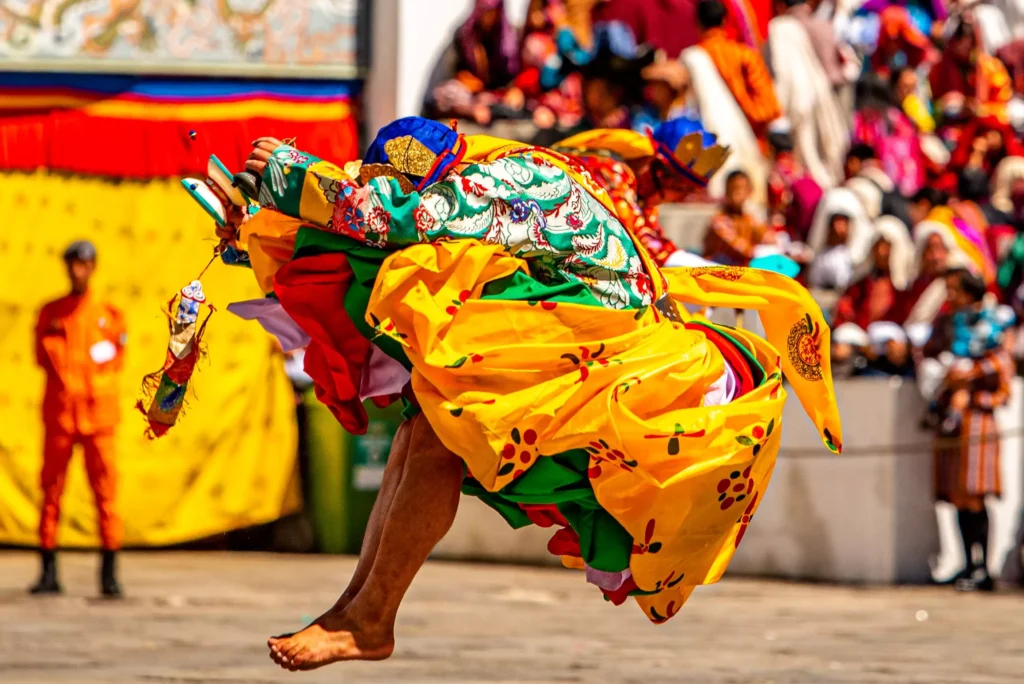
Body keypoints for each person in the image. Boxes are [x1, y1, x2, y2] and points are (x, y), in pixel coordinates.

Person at [215, 117, 842, 670]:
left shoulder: (503, 183)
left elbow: (393, 221)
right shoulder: (487, 170)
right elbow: (369, 234)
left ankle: (370, 618)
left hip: (613, 353)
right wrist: (256, 231)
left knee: (439, 428)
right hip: (571, 335)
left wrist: (292, 178)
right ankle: (358, 610)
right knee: (424, 429)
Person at [32, 240, 125, 597]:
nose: (77, 270)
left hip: (99, 417)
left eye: (84, 263)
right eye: (72, 263)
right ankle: (48, 569)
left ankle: (110, 572)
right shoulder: (50, 313)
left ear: (93, 267)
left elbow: (116, 359)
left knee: (106, 495)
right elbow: (41, 358)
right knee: (51, 491)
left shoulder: (109, 315)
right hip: (60, 415)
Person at [921, 268, 1015, 592]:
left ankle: (983, 568)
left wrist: (970, 380)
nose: (949, 296)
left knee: (975, 494)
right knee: (957, 495)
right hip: (951, 420)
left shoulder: (995, 326)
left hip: (978, 421)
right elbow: (929, 354)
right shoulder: (948, 326)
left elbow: (1004, 377)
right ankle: (965, 565)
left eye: (954, 290)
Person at [555, 115, 726, 265]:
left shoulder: (642, 199)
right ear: (658, 170)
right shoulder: (609, 171)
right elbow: (639, 245)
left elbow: (654, 240)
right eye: (680, 188)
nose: (679, 199)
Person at [767, 0, 850, 189]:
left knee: (802, 162)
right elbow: (842, 70)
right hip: (827, 100)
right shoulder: (824, 27)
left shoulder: (781, 28)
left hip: (796, 100)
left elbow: (781, 72)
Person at [830, 216, 915, 375]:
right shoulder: (860, 283)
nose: (882, 252)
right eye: (878, 246)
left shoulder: (908, 285)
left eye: (888, 246)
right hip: (863, 346)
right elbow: (845, 313)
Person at [694, 0, 781, 143]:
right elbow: (769, 107)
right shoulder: (745, 56)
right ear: (724, 21)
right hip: (753, 142)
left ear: (698, 24)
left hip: (711, 145)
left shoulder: (695, 57)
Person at [930, 17, 1013, 126]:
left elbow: (1003, 109)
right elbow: (932, 107)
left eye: (970, 44)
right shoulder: (940, 68)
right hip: (951, 128)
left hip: (987, 127)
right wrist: (945, 104)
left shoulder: (991, 68)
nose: (966, 48)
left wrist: (979, 110)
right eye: (960, 42)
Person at [703, 169, 775, 265]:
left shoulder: (749, 219)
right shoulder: (719, 221)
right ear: (726, 191)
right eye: (732, 189)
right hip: (716, 271)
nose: (735, 194)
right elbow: (742, 248)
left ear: (749, 191)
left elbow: (768, 237)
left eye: (740, 189)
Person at [632, 53, 693, 133]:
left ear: (670, 88)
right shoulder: (646, 115)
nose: (652, 89)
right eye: (651, 83)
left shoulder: (687, 116)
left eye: (658, 85)